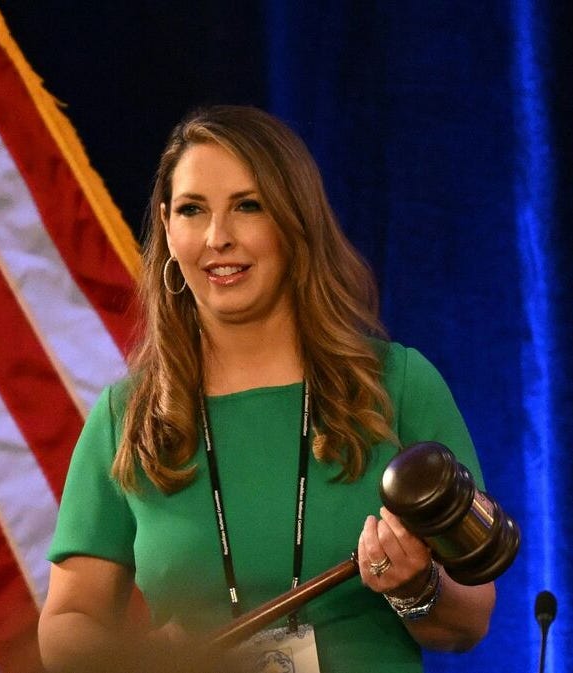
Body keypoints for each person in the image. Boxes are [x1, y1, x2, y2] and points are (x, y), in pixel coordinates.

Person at [38, 105, 496, 673]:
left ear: (294, 221)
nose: (218, 237)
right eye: (192, 210)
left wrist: (416, 586)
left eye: (247, 207)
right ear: (166, 226)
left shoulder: (398, 385)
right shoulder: (127, 415)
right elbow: (64, 628)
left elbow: (470, 618)